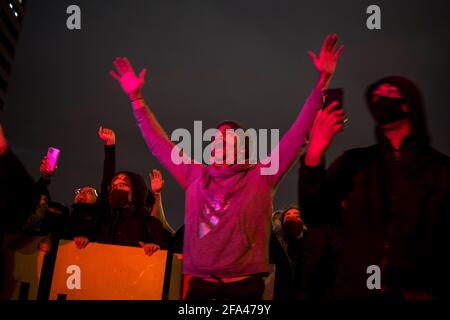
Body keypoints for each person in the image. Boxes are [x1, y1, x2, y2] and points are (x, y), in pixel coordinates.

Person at [110, 34, 343, 299]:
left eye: (228, 138)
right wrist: (136, 99)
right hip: (200, 288)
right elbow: (158, 143)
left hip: (244, 289)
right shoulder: (196, 174)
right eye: (216, 138)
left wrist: (322, 82)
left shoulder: (261, 175)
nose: (219, 142)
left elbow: (297, 133)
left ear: (243, 148)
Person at [298, 76, 450, 299]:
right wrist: (314, 153)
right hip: (358, 291)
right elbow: (314, 213)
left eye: (389, 92)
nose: (381, 98)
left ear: (409, 104)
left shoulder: (440, 170)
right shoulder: (355, 162)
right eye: (376, 96)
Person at [74, 127, 169, 255]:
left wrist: (152, 246)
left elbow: (160, 243)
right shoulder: (105, 215)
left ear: (135, 191)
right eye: (114, 186)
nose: (116, 188)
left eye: (122, 185)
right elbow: (106, 180)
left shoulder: (146, 222)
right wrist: (110, 145)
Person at [269, 206, 306, 300]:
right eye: (288, 215)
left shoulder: (311, 241)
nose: (291, 216)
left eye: (297, 215)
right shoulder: (274, 241)